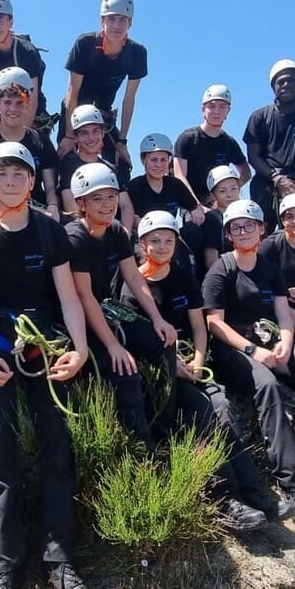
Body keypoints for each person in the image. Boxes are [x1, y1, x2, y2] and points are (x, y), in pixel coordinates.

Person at [0, 141, 97, 589]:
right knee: (0, 450)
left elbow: (67, 294)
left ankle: (60, 560)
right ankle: (5, 570)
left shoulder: (50, 231)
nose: (12, 181)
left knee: (57, 439)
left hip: (45, 340)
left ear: (32, 180)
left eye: (20, 172)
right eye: (2, 174)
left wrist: (80, 349)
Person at [123, 211, 294, 529]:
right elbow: (136, 337)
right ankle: (226, 499)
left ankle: (254, 493)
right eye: (155, 241)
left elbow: (199, 327)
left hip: (191, 363)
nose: (162, 247)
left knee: (223, 407)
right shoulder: (133, 286)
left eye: (168, 240)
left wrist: (199, 361)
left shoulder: (183, 276)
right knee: (203, 411)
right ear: (142, 244)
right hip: (159, 372)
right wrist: (173, 365)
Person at [203, 200, 295, 527]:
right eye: (236, 227)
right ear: (229, 234)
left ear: (261, 229)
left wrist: (286, 341)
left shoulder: (268, 268)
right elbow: (214, 322)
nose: (243, 231)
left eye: (249, 225)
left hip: (270, 337)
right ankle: (291, 482)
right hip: (233, 348)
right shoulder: (222, 269)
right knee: (267, 385)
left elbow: (284, 313)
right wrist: (251, 350)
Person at [66, 162, 177, 452]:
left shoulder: (115, 230)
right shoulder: (74, 238)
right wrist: (114, 345)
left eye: (111, 197)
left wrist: (157, 319)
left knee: (163, 342)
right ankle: (144, 453)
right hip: (81, 320)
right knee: (125, 372)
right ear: (81, 203)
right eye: (97, 198)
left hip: (107, 311)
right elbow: (84, 297)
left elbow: (132, 275)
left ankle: (164, 431)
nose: (107, 204)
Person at [58, 0, 146, 171]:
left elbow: (129, 99)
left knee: (121, 166)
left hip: (104, 115)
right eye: (111, 18)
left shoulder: (137, 53)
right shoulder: (85, 44)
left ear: (130, 23)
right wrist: (68, 135)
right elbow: (72, 92)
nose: (117, 25)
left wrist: (122, 141)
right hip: (75, 111)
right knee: (67, 162)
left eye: (122, 19)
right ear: (102, 21)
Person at [244, 59, 295, 231]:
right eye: (280, 81)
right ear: (273, 87)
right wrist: (277, 178)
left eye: (291, 80)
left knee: (294, 235)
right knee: (261, 235)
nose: (286, 85)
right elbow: (253, 156)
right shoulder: (259, 117)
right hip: (265, 185)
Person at [0, 68, 61, 217]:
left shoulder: (40, 140)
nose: (13, 109)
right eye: (7, 102)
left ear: (27, 105)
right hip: (1, 214)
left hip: (41, 215)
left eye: (19, 103)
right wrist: (33, 211)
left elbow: (50, 186)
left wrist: (52, 206)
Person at [125, 132, 201, 273]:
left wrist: (196, 212)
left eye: (163, 160)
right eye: (154, 160)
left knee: (192, 237)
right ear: (143, 160)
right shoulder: (135, 186)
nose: (159, 165)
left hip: (170, 237)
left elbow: (194, 207)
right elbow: (133, 219)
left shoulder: (175, 184)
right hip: (147, 240)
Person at [0, 0, 50, 131]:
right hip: (3, 107)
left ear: (10, 22)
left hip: (31, 111)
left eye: (0, 21)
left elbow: (32, 98)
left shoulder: (28, 52)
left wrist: (23, 134)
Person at [174, 84, 252, 209]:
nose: (217, 111)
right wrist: (196, 205)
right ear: (203, 109)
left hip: (219, 206)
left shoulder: (228, 142)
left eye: (222, 107)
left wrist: (227, 192)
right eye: (212, 106)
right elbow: (179, 176)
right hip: (191, 205)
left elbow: (246, 173)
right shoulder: (187, 138)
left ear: (228, 110)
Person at [56, 104, 135, 223]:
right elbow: (71, 207)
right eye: (84, 133)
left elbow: (125, 205)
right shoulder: (68, 164)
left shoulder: (110, 169)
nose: (91, 138)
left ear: (103, 133)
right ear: (75, 137)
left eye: (96, 131)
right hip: (78, 230)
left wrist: (125, 233)